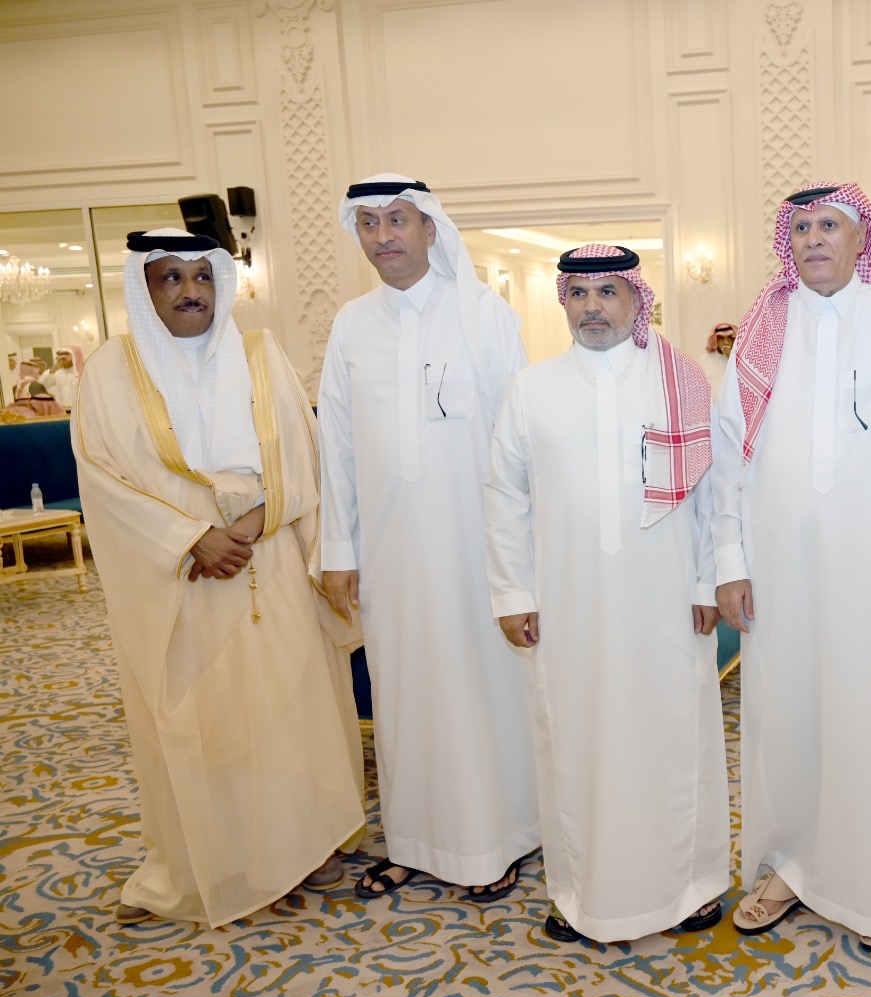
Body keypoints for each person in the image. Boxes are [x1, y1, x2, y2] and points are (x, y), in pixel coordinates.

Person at [71, 228, 365, 926]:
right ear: (144, 289)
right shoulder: (109, 371)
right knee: (201, 719)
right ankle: (207, 861)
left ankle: (305, 844)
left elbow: (305, 455)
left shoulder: (260, 354)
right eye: (170, 277)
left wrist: (257, 521)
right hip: (180, 572)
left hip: (267, 555)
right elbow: (102, 478)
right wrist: (191, 539)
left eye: (202, 276)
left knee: (288, 705)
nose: (190, 291)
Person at [711, 181, 871, 952]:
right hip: (777, 570)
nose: (814, 238)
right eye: (802, 227)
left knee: (870, 718)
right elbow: (727, 456)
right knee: (785, 717)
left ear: (860, 239)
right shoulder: (763, 328)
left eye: (830, 226)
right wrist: (729, 562)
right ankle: (789, 866)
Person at [483, 244, 729, 943]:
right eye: (579, 293)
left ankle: (691, 888)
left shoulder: (679, 381)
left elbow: (714, 494)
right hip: (568, 604)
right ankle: (581, 896)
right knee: (575, 743)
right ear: (563, 301)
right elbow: (504, 497)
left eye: (608, 292)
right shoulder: (531, 389)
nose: (592, 307)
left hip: (667, 599)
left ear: (636, 299)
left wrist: (707, 579)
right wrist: (512, 592)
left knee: (673, 736)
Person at [319, 174, 540, 902]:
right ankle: (415, 842)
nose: (383, 236)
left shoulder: (483, 313)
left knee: (483, 690)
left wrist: (523, 552)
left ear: (430, 229)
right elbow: (336, 446)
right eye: (369, 224)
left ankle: (500, 839)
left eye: (398, 220)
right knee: (404, 695)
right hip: (390, 554)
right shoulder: (351, 324)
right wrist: (339, 550)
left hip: (476, 549)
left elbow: (517, 441)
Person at [700, 322, 735, 397]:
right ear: (715, 340)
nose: (726, 342)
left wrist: (731, 357)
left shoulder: (740, 361)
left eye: (729, 338)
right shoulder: (704, 360)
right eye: (721, 338)